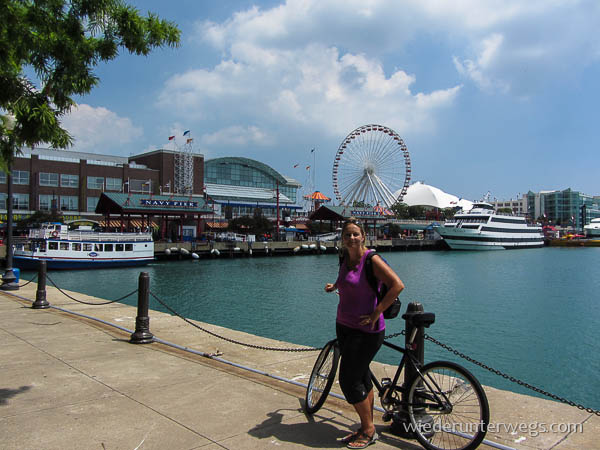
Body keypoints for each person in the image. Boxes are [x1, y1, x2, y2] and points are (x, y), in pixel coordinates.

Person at [324, 218, 404, 449]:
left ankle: (368, 430)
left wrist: (376, 312)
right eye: (347, 235)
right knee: (361, 377)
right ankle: (366, 424)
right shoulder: (345, 257)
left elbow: (397, 285)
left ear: (363, 237)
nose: (351, 238)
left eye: (355, 234)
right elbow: (345, 279)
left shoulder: (372, 260)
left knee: (348, 380)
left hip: (367, 330)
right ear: (342, 238)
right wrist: (335, 287)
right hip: (344, 325)